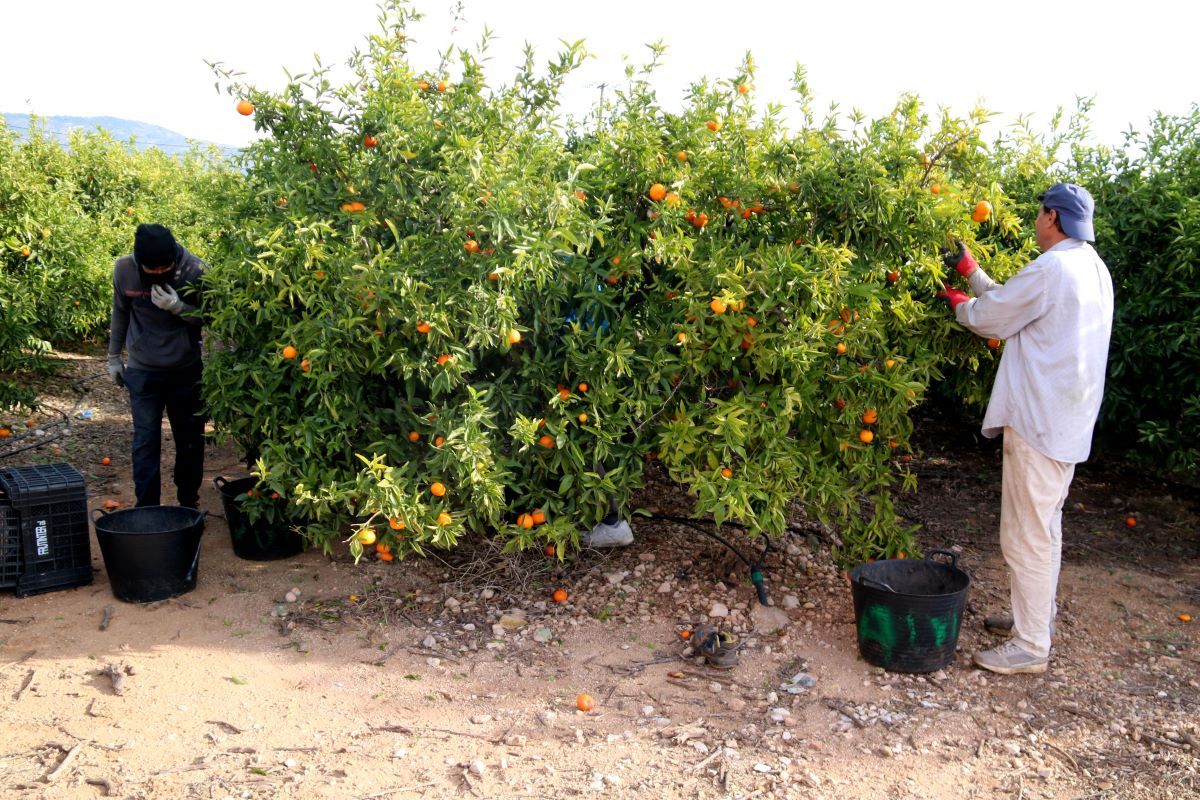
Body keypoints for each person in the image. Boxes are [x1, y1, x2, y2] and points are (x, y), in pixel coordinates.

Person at [937, 184, 1113, 674]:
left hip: (1039, 421)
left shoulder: (1054, 267)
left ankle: (1031, 646)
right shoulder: (1091, 267)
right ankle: (1035, 619)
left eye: (1040, 213)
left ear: (1052, 217)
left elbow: (995, 318)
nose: (1037, 220)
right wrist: (972, 273)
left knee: (1026, 535)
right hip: (1065, 420)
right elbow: (1015, 304)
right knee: (1045, 527)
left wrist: (958, 304)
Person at [107, 224, 208, 509]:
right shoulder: (124, 269)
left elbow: (212, 317)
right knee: (145, 442)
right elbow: (120, 312)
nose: (155, 274)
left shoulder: (195, 270)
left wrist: (180, 308)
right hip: (143, 370)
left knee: (189, 440)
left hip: (185, 369)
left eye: (162, 269)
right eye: (149, 270)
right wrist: (114, 357)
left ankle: (189, 503)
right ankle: (147, 509)